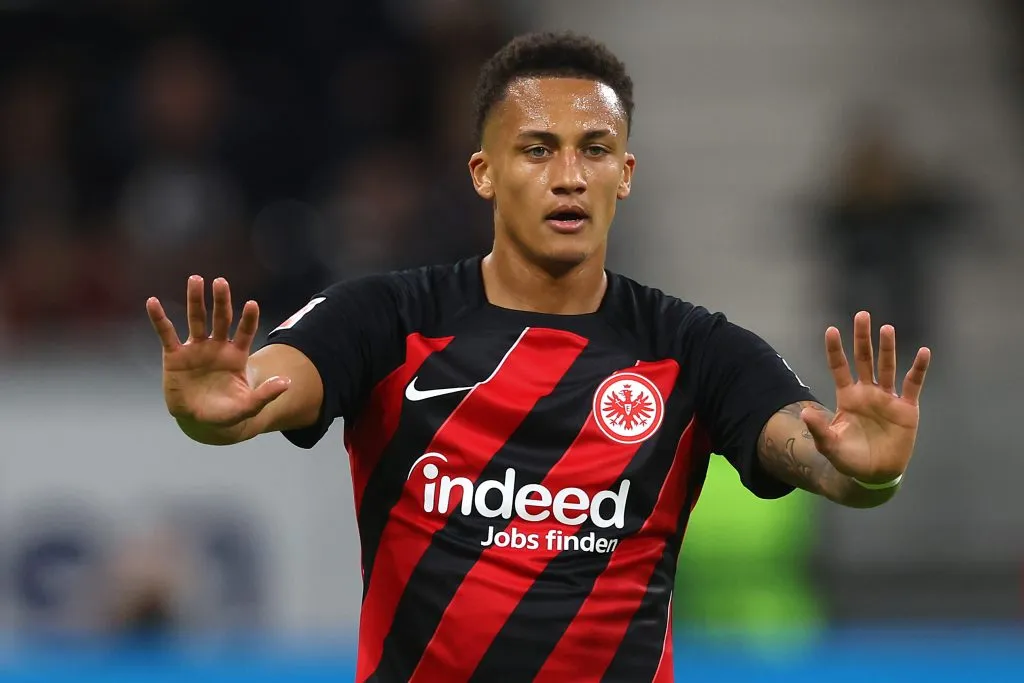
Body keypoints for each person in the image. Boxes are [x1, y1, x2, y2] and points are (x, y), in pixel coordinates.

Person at [145, 32, 931, 683]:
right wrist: (224, 408)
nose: (568, 177)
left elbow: (812, 452)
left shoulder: (693, 348)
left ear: (623, 175)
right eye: (537, 148)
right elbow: (272, 388)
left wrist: (867, 470)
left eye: (594, 150)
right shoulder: (389, 319)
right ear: (484, 173)